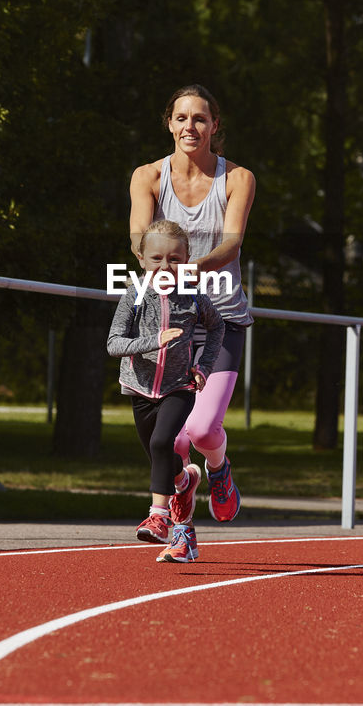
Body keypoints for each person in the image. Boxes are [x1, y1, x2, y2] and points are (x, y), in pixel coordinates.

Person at [129, 84, 255, 523]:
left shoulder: (237, 178)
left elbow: (231, 246)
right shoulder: (148, 176)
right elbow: (138, 240)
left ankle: (219, 469)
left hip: (221, 319)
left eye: (200, 118)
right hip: (173, 321)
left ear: (214, 125)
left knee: (202, 431)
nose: (190, 126)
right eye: (181, 118)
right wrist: (157, 267)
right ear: (169, 123)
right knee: (175, 441)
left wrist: (189, 268)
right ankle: (182, 491)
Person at [107, 219, 225, 564]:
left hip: (179, 387)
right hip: (140, 388)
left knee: (163, 443)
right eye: (156, 258)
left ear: (186, 261)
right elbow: (114, 343)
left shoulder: (193, 296)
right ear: (141, 260)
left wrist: (203, 367)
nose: (165, 266)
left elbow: (217, 327)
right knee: (161, 457)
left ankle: (158, 516)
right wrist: (152, 342)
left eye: (174, 259)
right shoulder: (134, 293)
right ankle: (185, 483)